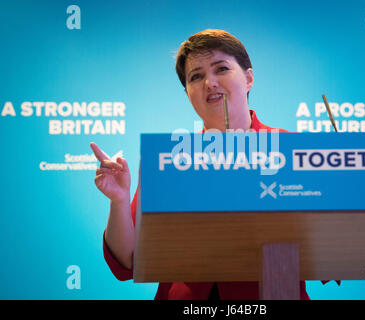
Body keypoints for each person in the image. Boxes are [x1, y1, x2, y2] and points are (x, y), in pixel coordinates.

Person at [91, 29, 336, 299]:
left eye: (221, 69)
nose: (210, 83)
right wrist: (119, 199)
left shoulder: (294, 150)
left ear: (249, 78)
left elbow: (333, 255)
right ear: (187, 92)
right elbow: (128, 261)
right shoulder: (170, 159)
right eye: (196, 76)